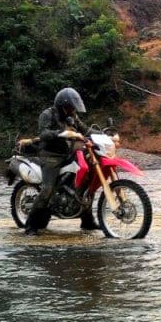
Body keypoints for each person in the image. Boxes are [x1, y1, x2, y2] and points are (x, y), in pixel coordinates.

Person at [23, 87, 101, 236]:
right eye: (70, 107)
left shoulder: (72, 116)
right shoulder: (47, 114)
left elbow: (85, 130)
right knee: (47, 189)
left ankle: (87, 221)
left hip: (68, 154)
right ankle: (30, 225)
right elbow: (43, 133)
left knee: (86, 182)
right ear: (62, 105)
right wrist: (62, 133)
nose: (72, 110)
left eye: (73, 107)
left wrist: (105, 135)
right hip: (50, 156)